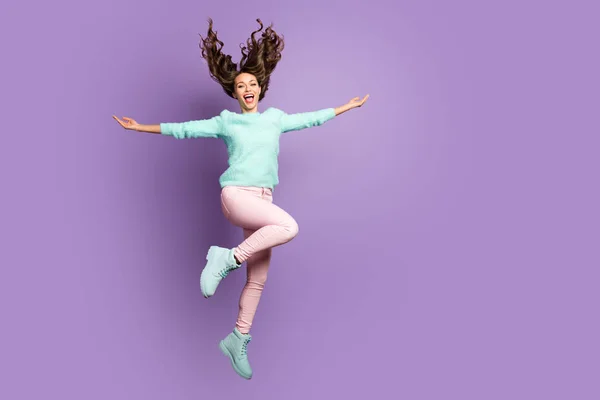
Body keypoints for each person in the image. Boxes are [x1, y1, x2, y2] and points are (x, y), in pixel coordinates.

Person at [113, 18, 369, 380]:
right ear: (234, 94)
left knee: (258, 279)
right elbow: (186, 130)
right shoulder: (226, 122)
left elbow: (311, 119)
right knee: (289, 226)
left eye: (251, 84)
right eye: (239, 86)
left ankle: (238, 337)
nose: (246, 89)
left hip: (262, 201)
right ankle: (225, 257)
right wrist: (140, 127)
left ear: (260, 88)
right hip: (236, 196)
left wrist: (345, 107)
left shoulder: (276, 119)